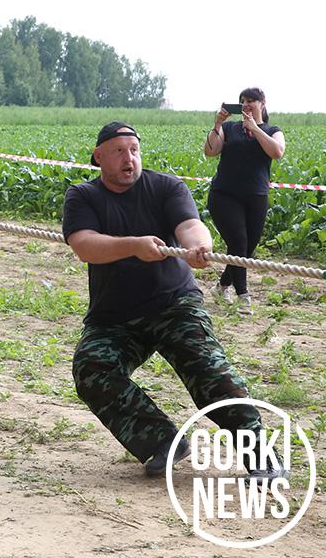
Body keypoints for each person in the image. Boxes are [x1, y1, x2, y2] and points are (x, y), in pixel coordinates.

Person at [62, 122, 281, 479]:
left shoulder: (166, 186)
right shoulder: (83, 196)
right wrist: (134, 246)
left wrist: (200, 246)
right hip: (114, 316)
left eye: (134, 150)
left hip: (174, 304)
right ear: (98, 157)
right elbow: (85, 245)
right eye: (119, 152)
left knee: (212, 375)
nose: (129, 159)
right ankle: (163, 441)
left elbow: (190, 226)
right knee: (91, 368)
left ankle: (261, 453)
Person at [204, 87, 285, 315]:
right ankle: (243, 296)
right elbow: (210, 151)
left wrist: (255, 128)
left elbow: (277, 152)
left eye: (251, 100)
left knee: (247, 248)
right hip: (224, 195)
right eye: (243, 101)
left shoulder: (272, 130)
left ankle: (222, 286)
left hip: (256, 196)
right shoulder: (230, 128)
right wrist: (217, 124)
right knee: (239, 242)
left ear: (262, 103)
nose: (246, 104)